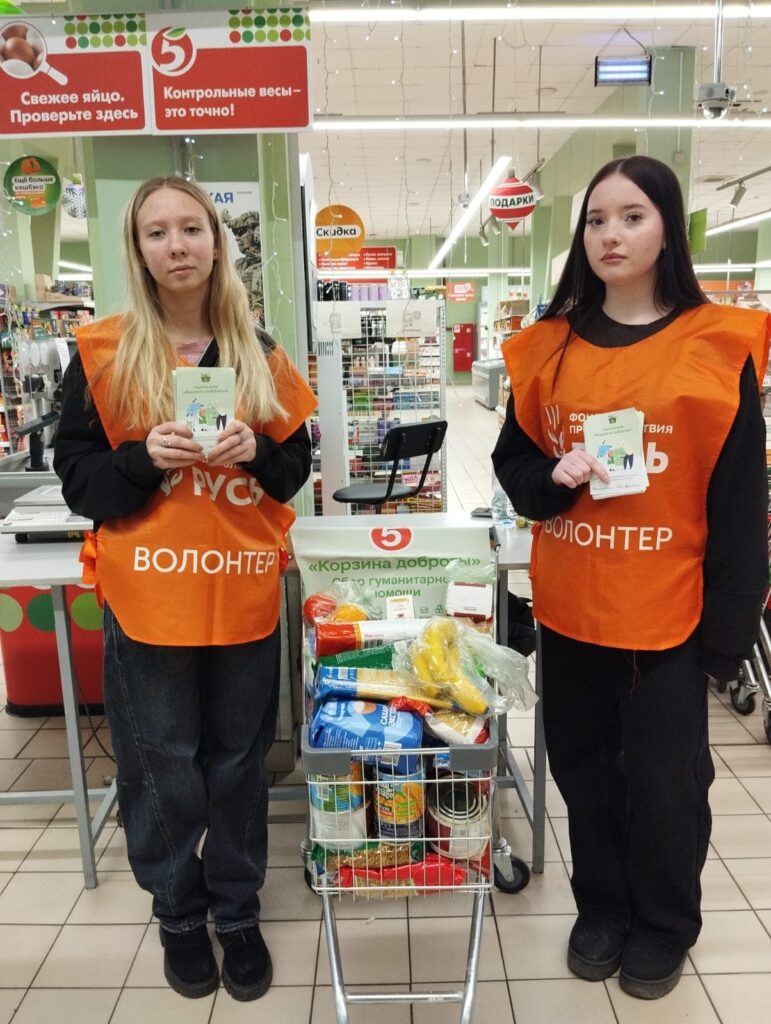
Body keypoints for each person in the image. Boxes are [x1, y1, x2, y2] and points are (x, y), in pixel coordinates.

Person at [492, 155, 770, 1000]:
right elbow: (515, 466)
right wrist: (552, 479)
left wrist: (726, 637)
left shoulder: (715, 345)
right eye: (595, 220)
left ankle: (663, 923)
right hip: (572, 606)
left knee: (666, 784)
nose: (609, 234)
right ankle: (602, 909)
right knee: (583, 770)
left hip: (670, 616)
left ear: (667, 228)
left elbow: (740, 499)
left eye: (632, 216)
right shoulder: (549, 347)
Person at [54, 176, 317, 1002]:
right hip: (150, 598)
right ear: (137, 250)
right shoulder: (101, 355)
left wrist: (255, 452)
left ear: (216, 241)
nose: (177, 246)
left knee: (238, 761)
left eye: (192, 229)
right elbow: (78, 481)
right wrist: (140, 460)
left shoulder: (259, 351)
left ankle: (235, 910)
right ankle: (176, 908)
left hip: (240, 592)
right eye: (157, 232)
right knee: (160, 762)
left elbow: (293, 469)